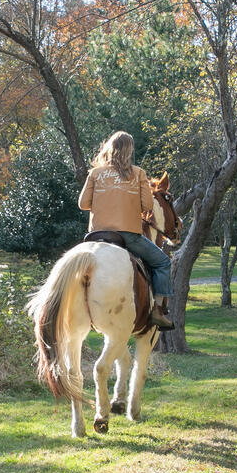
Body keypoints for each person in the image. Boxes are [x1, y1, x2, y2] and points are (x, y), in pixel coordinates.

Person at [78, 131, 176, 331]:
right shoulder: (138, 173)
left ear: (108, 148)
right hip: (127, 236)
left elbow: (83, 204)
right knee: (163, 262)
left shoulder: (95, 173)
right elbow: (148, 204)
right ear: (129, 151)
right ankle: (157, 310)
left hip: (95, 236)